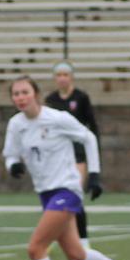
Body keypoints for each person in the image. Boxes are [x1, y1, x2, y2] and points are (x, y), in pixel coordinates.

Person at [4, 75, 130, 260]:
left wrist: (95, 175)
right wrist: (12, 165)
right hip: (45, 193)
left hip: (66, 190)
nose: (20, 98)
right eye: (15, 94)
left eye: (25, 92)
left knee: (36, 248)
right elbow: (10, 153)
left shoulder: (57, 118)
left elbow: (88, 137)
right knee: (76, 255)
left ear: (35, 93)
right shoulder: (16, 125)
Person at [44, 62, 99, 244]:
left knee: (74, 193)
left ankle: (83, 240)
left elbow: (92, 127)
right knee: (56, 196)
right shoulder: (51, 99)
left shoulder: (81, 98)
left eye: (65, 75)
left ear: (71, 77)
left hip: (77, 152)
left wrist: (94, 159)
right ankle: (55, 237)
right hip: (57, 154)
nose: (62, 78)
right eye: (58, 75)